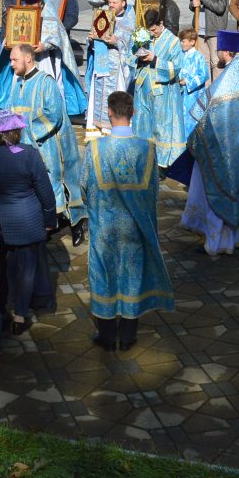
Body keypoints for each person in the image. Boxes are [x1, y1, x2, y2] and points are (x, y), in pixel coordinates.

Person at [82, 91, 175, 351]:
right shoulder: (148, 149)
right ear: (133, 112)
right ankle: (128, 336)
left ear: (109, 112)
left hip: (105, 227)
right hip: (135, 226)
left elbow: (84, 185)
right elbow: (153, 191)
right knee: (132, 274)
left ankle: (107, 335)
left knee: (104, 274)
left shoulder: (95, 148)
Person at [180, 30, 239, 255]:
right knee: (236, 195)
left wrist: (197, 137)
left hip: (221, 148)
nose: (217, 53)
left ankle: (217, 243)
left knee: (217, 193)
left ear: (227, 51)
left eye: (219, 48)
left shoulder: (228, 79)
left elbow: (210, 113)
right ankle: (237, 238)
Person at [0, 110, 56, 336]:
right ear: (16, 132)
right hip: (27, 222)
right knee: (26, 269)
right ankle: (20, 316)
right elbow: (46, 193)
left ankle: (0, 310)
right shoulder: (29, 154)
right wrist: (49, 219)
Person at [0, 43, 89, 241]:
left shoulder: (46, 82)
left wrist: (25, 133)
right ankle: (48, 222)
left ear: (28, 59)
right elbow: (9, 112)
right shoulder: (17, 83)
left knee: (58, 182)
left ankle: (76, 223)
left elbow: (53, 114)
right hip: (25, 147)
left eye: (14, 60)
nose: (11, 64)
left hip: (49, 146)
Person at [129, 8, 185, 168]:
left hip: (162, 92)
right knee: (141, 123)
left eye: (154, 30)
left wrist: (155, 60)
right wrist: (138, 59)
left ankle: (160, 163)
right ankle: (142, 159)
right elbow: (130, 57)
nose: (152, 33)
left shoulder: (173, 41)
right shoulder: (143, 36)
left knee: (161, 126)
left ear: (161, 23)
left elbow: (176, 67)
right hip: (142, 89)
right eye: (149, 30)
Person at [84, 0, 135, 137]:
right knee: (97, 96)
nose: (111, 5)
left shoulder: (129, 22)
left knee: (116, 96)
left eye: (114, 2)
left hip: (116, 68)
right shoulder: (102, 16)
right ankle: (96, 131)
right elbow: (93, 38)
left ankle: (114, 130)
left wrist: (116, 41)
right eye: (110, 2)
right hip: (100, 64)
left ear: (123, 3)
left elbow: (131, 46)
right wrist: (91, 39)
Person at [175, 27, 210, 139]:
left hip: (193, 95)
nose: (181, 44)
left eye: (183, 41)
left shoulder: (198, 56)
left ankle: (191, 142)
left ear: (192, 42)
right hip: (180, 93)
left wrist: (188, 81)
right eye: (180, 41)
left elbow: (204, 75)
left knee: (191, 119)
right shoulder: (180, 55)